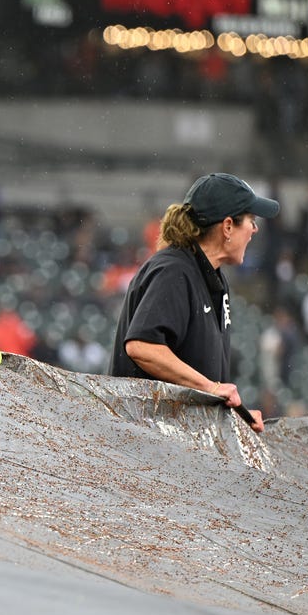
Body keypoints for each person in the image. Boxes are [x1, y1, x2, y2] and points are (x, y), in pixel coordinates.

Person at [109, 173, 279, 433]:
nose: (255, 229)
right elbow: (142, 346)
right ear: (228, 226)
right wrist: (211, 389)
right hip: (143, 443)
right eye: (251, 220)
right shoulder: (173, 270)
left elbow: (207, 382)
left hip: (179, 444)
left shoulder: (214, 277)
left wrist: (236, 417)